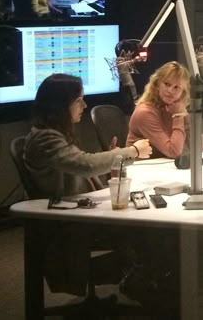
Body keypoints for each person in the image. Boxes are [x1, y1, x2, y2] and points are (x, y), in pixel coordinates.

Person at [23, 73, 152, 297]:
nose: (84, 104)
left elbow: (81, 168)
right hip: (70, 225)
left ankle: (138, 276)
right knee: (149, 232)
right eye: (78, 100)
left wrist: (109, 157)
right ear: (61, 105)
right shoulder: (45, 138)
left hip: (78, 213)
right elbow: (85, 165)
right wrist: (132, 151)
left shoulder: (53, 134)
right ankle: (138, 278)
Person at [126, 61, 190, 159]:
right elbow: (174, 151)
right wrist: (178, 117)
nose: (170, 90)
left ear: (183, 92)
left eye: (177, 87)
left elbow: (195, 144)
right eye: (167, 84)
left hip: (166, 166)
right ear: (157, 84)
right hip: (141, 169)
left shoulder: (175, 107)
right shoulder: (144, 112)